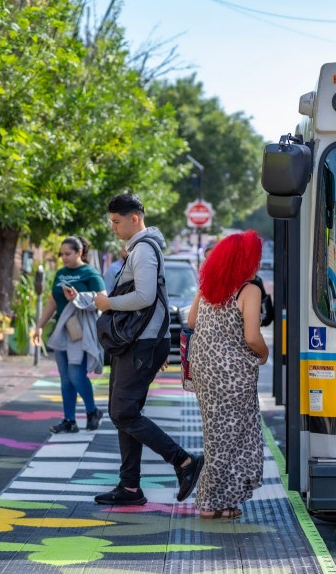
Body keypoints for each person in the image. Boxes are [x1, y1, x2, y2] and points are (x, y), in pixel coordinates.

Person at [93, 193, 203, 506]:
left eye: (116, 221)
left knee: (123, 411)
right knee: (126, 413)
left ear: (135, 219)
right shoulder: (145, 247)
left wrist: (107, 303)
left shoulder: (143, 249)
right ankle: (129, 487)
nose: (113, 227)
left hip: (140, 343)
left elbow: (144, 296)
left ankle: (183, 462)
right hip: (139, 343)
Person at [186, 230, 269, 519]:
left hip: (205, 368)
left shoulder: (209, 286)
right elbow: (252, 336)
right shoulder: (249, 290)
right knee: (234, 437)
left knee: (216, 434)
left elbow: (192, 321)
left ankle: (218, 500)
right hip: (233, 372)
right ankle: (211, 503)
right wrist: (263, 354)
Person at [33, 236, 106, 434]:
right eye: (62, 254)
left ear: (79, 252)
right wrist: (39, 326)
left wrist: (79, 297)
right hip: (63, 329)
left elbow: (104, 300)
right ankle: (69, 420)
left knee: (76, 375)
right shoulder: (60, 273)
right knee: (65, 378)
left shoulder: (90, 273)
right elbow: (52, 302)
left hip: (80, 330)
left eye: (68, 254)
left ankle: (92, 411)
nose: (64, 258)